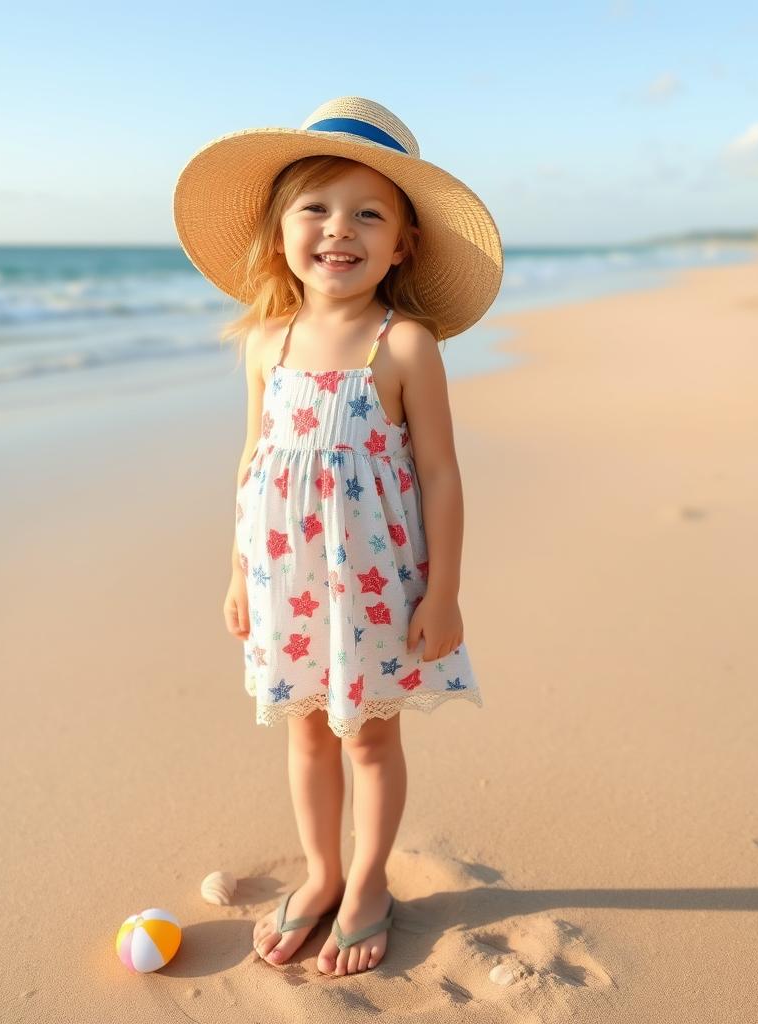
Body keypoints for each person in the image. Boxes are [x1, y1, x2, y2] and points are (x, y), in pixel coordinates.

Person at [173, 96, 503, 977]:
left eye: (368, 213)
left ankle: (366, 884)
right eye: (314, 208)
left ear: (403, 243)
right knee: (307, 732)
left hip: (373, 581)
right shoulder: (266, 342)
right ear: (280, 231)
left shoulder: (404, 345)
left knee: (369, 736)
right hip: (286, 579)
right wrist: (238, 573)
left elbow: (440, 473)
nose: (338, 230)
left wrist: (444, 592)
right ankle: (320, 874)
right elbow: (251, 461)